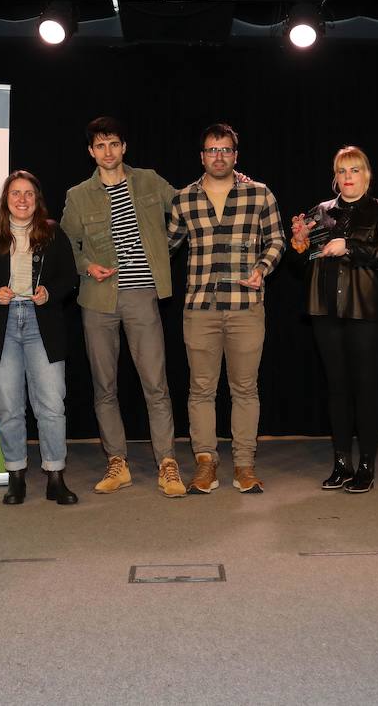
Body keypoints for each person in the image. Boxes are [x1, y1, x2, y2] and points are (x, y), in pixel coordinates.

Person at [60, 117, 187, 498]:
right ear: (91, 152)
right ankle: (117, 462)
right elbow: (66, 247)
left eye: (114, 143)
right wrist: (86, 266)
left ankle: (167, 462)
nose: (108, 152)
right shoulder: (78, 194)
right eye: (100, 146)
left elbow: (188, 206)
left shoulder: (149, 180)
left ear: (124, 147)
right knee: (105, 387)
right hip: (98, 300)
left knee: (156, 384)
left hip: (142, 295)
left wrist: (163, 249)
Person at [168, 122, 285, 494]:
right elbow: (164, 246)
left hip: (245, 307)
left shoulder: (259, 193)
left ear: (236, 155)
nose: (218, 156)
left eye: (225, 150)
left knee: (245, 389)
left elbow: (277, 239)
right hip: (199, 308)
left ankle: (244, 466)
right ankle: (205, 463)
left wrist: (262, 268)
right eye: (211, 150)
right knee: (201, 389)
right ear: (201, 156)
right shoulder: (183, 198)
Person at [286, 146, 378, 493]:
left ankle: (366, 465)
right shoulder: (320, 211)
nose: (348, 177)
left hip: (366, 312)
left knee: (364, 388)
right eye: (342, 171)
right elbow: (300, 265)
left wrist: (349, 245)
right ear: (335, 177)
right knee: (337, 389)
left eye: (355, 170)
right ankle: (341, 463)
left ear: (367, 175)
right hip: (326, 311)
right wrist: (300, 245)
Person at [0, 170, 79, 505]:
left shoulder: (54, 233)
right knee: (10, 408)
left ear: (37, 199)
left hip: (42, 324)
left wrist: (50, 293)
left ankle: (55, 475)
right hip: (3, 326)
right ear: (6, 199)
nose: (22, 199)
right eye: (15, 193)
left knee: (51, 405)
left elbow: (70, 277)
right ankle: (16, 475)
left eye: (29, 193)